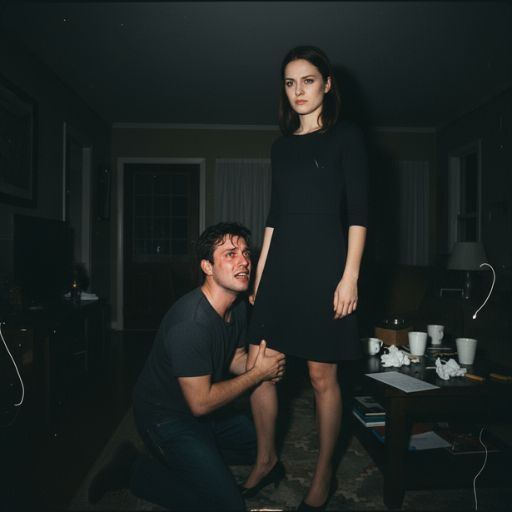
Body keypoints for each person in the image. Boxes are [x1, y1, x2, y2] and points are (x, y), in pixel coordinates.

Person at [241, 46, 368, 511]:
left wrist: (350, 277)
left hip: (326, 267)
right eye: (290, 82)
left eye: (308, 80)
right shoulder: (281, 146)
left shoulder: (346, 136)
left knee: (320, 375)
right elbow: (274, 216)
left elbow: (359, 213)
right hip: (281, 268)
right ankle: (266, 458)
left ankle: (323, 473)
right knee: (260, 367)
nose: (298, 91)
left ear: (327, 84)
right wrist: (260, 274)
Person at [88, 222, 286, 511]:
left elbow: (234, 357)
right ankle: (132, 469)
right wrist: (258, 373)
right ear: (207, 267)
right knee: (224, 505)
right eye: (230, 254)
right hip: (165, 418)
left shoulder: (238, 306)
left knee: (264, 445)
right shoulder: (191, 324)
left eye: (245, 253)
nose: (244, 261)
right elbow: (201, 403)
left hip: (205, 417)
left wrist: (266, 365)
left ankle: (197, 458)